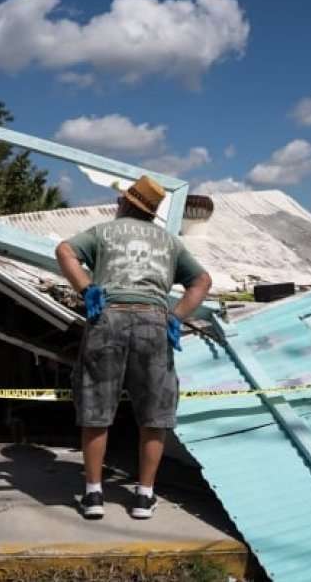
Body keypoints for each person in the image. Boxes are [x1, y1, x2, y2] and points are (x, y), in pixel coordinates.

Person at [55, 175, 212, 520]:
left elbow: (64, 250)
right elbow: (202, 281)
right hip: (153, 321)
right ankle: (143, 496)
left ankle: (94, 495)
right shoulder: (171, 242)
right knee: (154, 413)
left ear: (125, 203)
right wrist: (177, 316)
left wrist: (86, 288)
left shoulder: (103, 232)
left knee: (97, 406)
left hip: (108, 316)